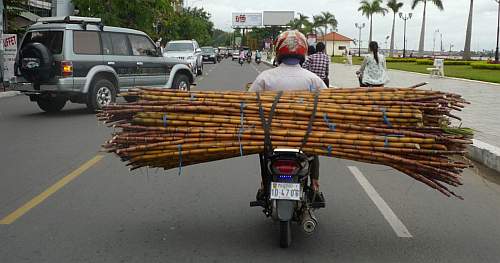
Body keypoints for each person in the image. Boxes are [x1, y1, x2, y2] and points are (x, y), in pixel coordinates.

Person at [249, 30, 327, 200]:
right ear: (303, 52)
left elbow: (249, 103)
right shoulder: (313, 79)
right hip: (304, 140)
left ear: (278, 51)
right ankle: (314, 182)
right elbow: (328, 104)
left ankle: (264, 182)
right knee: (315, 151)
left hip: (271, 139)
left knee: (262, 153)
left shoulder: (265, 77)